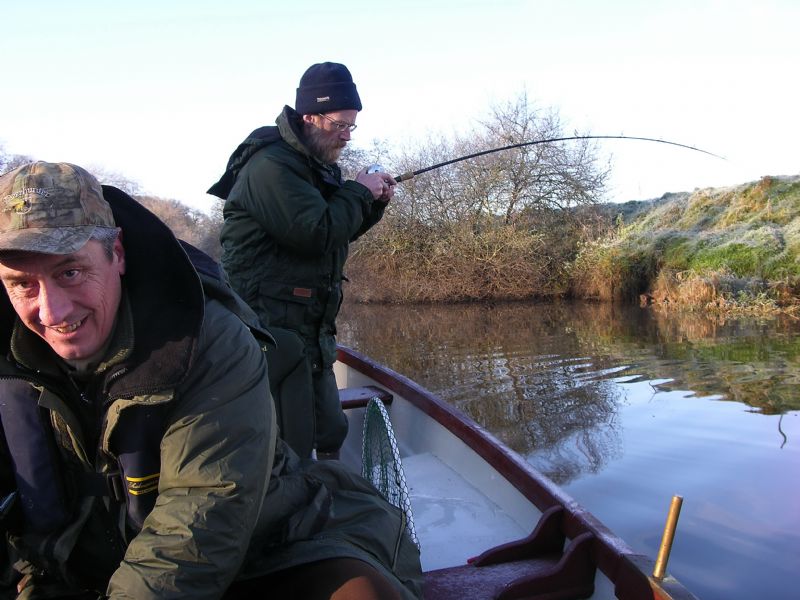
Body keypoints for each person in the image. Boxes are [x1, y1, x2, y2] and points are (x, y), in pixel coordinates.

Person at [0, 162, 422, 599]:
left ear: (117, 254)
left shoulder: (208, 342)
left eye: (70, 273)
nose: (53, 313)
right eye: (22, 284)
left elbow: (198, 522)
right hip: (67, 565)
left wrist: (362, 202)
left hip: (255, 551)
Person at [208, 62, 396, 458]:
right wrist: (358, 192)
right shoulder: (270, 166)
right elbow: (317, 232)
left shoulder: (318, 165)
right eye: (339, 125)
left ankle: (327, 497)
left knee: (328, 430)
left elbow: (334, 234)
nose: (346, 136)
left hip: (311, 328)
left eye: (351, 127)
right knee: (286, 439)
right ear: (310, 116)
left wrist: (373, 202)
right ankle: (289, 503)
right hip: (270, 326)